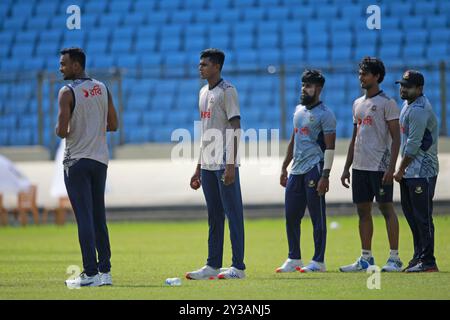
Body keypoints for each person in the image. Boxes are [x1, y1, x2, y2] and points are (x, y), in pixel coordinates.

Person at [56, 47, 118, 287]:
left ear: (76, 66)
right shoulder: (103, 88)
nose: (60, 68)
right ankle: (105, 273)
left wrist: (61, 129)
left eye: (64, 64)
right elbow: (113, 124)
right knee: (99, 217)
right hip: (99, 160)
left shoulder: (67, 92)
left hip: (76, 161)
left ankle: (90, 273)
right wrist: (93, 129)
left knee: (84, 218)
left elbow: (62, 131)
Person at [186, 48, 245, 280]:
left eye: (204, 64)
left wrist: (230, 164)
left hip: (224, 163)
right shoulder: (202, 92)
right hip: (208, 165)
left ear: (217, 67)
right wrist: (198, 167)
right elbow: (206, 133)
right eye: (200, 64)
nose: (200, 68)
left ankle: (238, 267)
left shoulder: (228, 91)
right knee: (214, 215)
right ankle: (212, 265)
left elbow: (236, 127)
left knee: (233, 214)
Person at [340, 57, 403, 272]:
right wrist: (346, 167)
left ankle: (394, 258)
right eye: (360, 73)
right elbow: (354, 137)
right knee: (363, 212)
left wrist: (391, 167)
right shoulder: (357, 103)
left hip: (380, 167)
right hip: (359, 167)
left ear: (377, 76)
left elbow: (396, 138)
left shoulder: (388, 103)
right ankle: (366, 258)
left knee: (386, 209)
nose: (361, 76)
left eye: (365, 73)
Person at [276, 69, 336, 273]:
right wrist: (284, 166)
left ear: (318, 89)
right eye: (303, 85)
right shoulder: (298, 110)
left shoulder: (325, 115)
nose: (304, 89)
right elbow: (294, 140)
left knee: (317, 217)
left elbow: (330, 147)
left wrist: (325, 176)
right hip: (296, 170)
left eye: (308, 86)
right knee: (291, 215)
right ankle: (294, 258)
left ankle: (319, 261)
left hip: (314, 168)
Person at [394, 70, 439, 272]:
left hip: (422, 171)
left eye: (408, 86)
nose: (403, 89)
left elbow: (413, 144)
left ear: (419, 89)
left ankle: (428, 261)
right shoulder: (407, 104)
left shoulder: (420, 109)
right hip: (411, 171)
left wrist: (399, 169)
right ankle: (418, 256)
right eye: (402, 85)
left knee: (422, 217)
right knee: (412, 216)